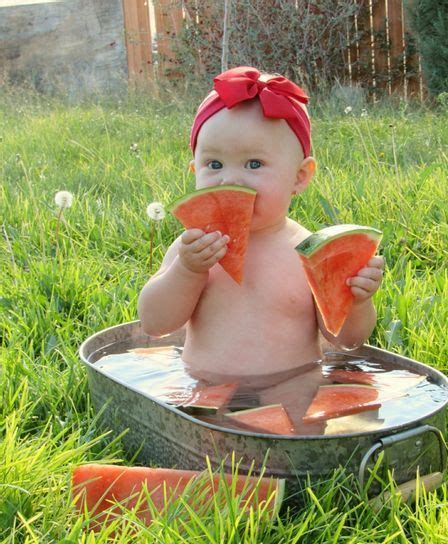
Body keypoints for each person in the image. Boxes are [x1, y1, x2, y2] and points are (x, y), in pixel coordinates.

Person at [138, 66, 384, 378]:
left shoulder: (310, 252)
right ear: (194, 170)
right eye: (213, 164)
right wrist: (187, 270)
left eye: (254, 164)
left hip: (293, 392)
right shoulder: (193, 247)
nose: (230, 178)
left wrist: (359, 301)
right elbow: (154, 324)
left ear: (300, 176)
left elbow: (345, 339)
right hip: (206, 392)